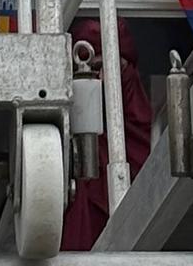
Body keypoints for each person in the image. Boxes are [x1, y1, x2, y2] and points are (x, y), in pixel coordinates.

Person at [61, 18, 153, 250]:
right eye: (91, 68)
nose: (100, 78)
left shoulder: (131, 98)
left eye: (111, 68)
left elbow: (139, 141)